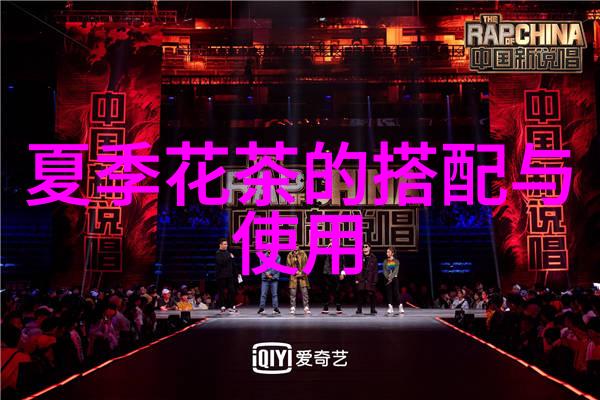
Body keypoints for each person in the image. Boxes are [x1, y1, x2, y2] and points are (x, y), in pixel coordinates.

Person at [215, 238, 240, 313]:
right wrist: (230, 257)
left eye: (226, 244)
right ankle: (222, 306)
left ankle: (231, 306)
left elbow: (233, 264)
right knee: (222, 291)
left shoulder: (228, 253)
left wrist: (237, 273)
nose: (226, 245)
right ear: (220, 245)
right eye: (224, 244)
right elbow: (221, 263)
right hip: (221, 275)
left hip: (230, 275)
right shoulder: (218, 253)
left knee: (232, 290)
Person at [321, 249, 346, 314]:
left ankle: (338, 307)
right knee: (326, 290)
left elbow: (343, 263)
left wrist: (342, 273)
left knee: (337, 290)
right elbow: (321, 258)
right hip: (327, 273)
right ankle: (325, 307)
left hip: (336, 273)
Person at [356, 242, 378, 315]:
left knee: (372, 294)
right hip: (361, 278)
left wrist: (375, 280)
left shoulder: (373, 257)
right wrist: (357, 279)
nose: (364, 248)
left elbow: (375, 270)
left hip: (370, 278)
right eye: (363, 247)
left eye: (366, 247)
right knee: (360, 294)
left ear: (369, 248)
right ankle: (359, 309)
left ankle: (373, 309)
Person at [287, 246, 310, 315]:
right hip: (293, 276)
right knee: (293, 293)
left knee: (304, 292)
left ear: (298, 246)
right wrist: (295, 272)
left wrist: (302, 273)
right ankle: (292, 307)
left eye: (297, 245)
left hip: (302, 275)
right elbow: (288, 266)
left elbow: (306, 264)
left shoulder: (303, 253)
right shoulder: (290, 254)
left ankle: (306, 307)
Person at [258, 250, 281, 315]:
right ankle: (261, 308)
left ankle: (275, 309)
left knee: (274, 294)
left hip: (274, 278)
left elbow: (277, 267)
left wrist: (270, 273)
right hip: (265, 278)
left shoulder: (277, 256)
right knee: (263, 294)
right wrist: (267, 274)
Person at [383, 246, 403, 314]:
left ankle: (400, 306)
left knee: (396, 292)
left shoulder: (396, 261)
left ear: (392, 253)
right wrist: (388, 277)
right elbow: (384, 270)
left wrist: (391, 277)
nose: (387, 253)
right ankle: (390, 307)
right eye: (387, 252)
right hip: (387, 279)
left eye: (388, 252)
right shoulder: (385, 261)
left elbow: (396, 270)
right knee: (389, 293)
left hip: (394, 278)